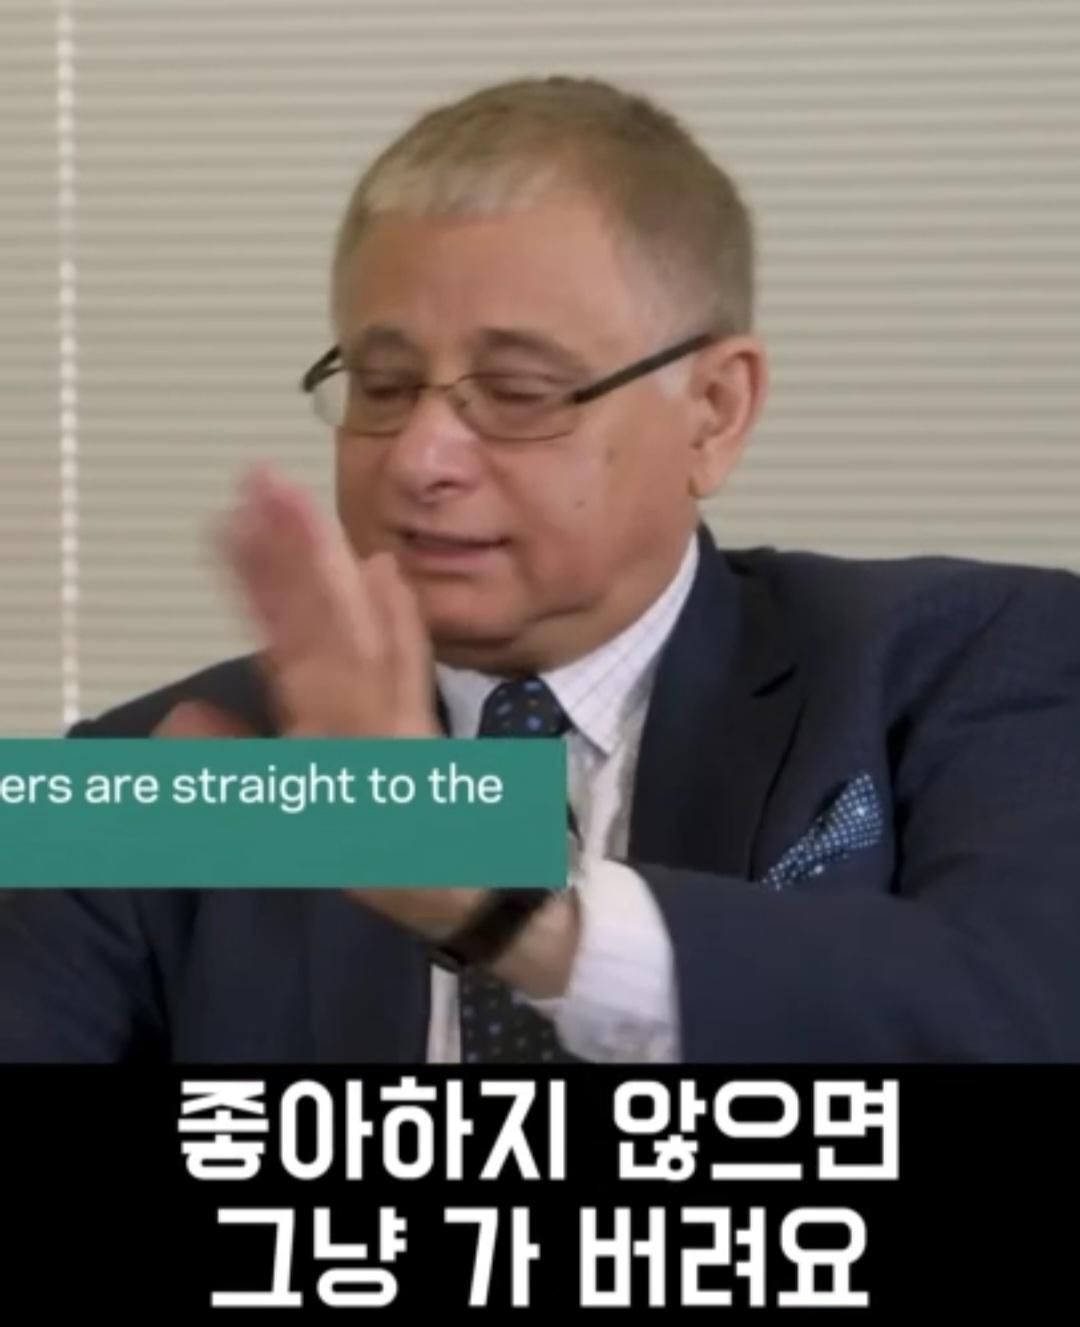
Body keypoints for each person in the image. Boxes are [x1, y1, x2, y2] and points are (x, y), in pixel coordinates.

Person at [2, 74, 1079, 1064]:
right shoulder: (168, 771)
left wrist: (501, 902)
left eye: (518, 394)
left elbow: (1024, 1010)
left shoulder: (966, 659)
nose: (420, 458)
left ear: (714, 411)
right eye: (383, 385)